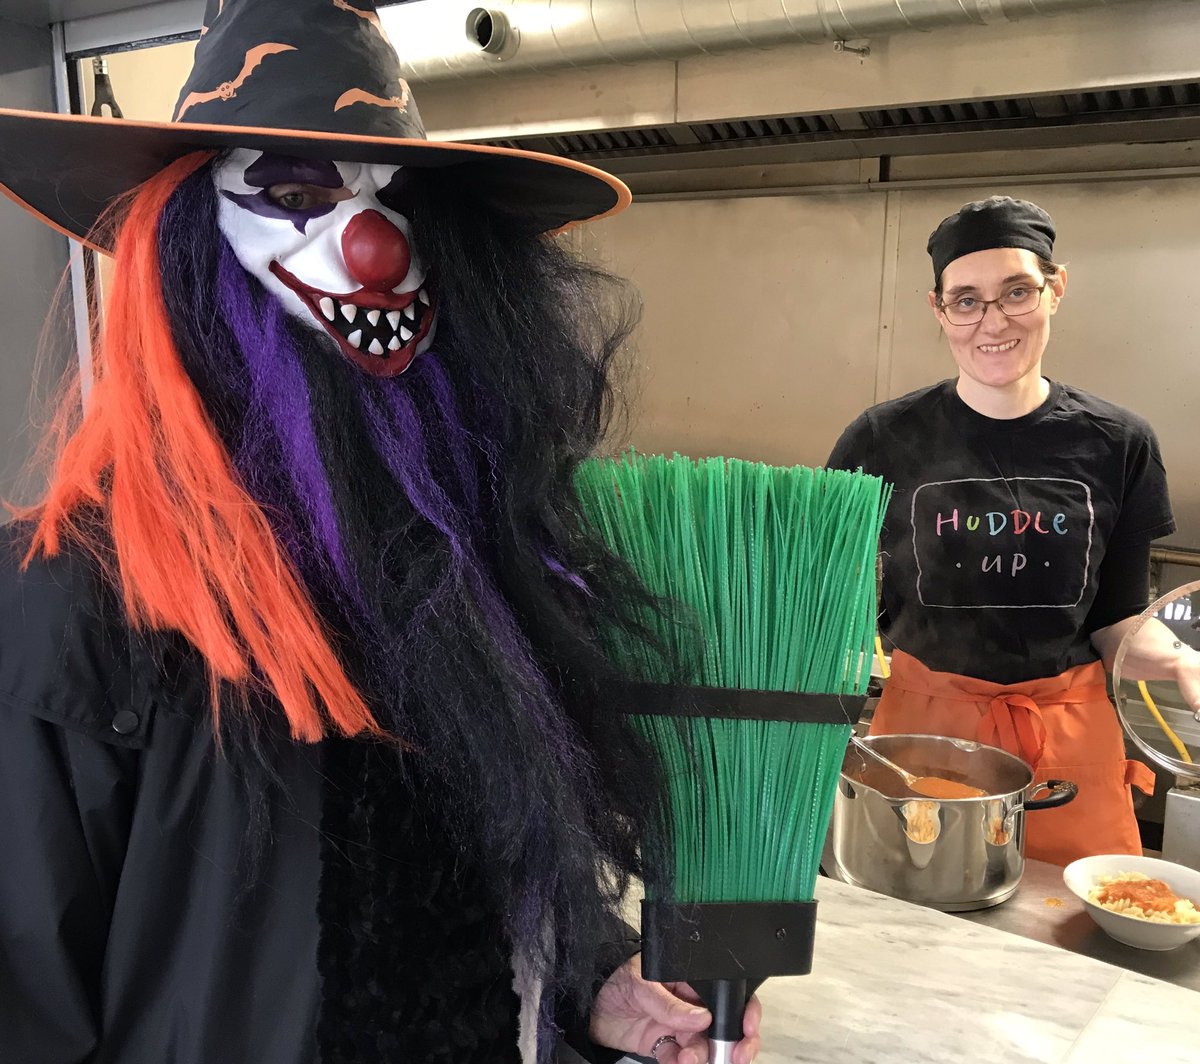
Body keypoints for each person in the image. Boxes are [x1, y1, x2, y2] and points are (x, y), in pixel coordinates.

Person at [0, 2, 760, 1062]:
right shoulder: (77, 595)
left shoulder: (466, 559)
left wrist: (590, 984)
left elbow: (496, 859)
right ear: (187, 250)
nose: (369, 246)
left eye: (399, 202)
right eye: (294, 195)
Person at [827, 195, 1200, 866]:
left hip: (1067, 744)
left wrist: (1180, 660)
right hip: (921, 741)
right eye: (966, 300)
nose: (991, 321)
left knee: (1070, 941)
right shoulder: (881, 439)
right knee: (912, 939)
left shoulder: (1118, 442)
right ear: (938, 309)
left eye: (1016, 292)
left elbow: (1115, 625)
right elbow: (826, 600)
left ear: (1055, 290)